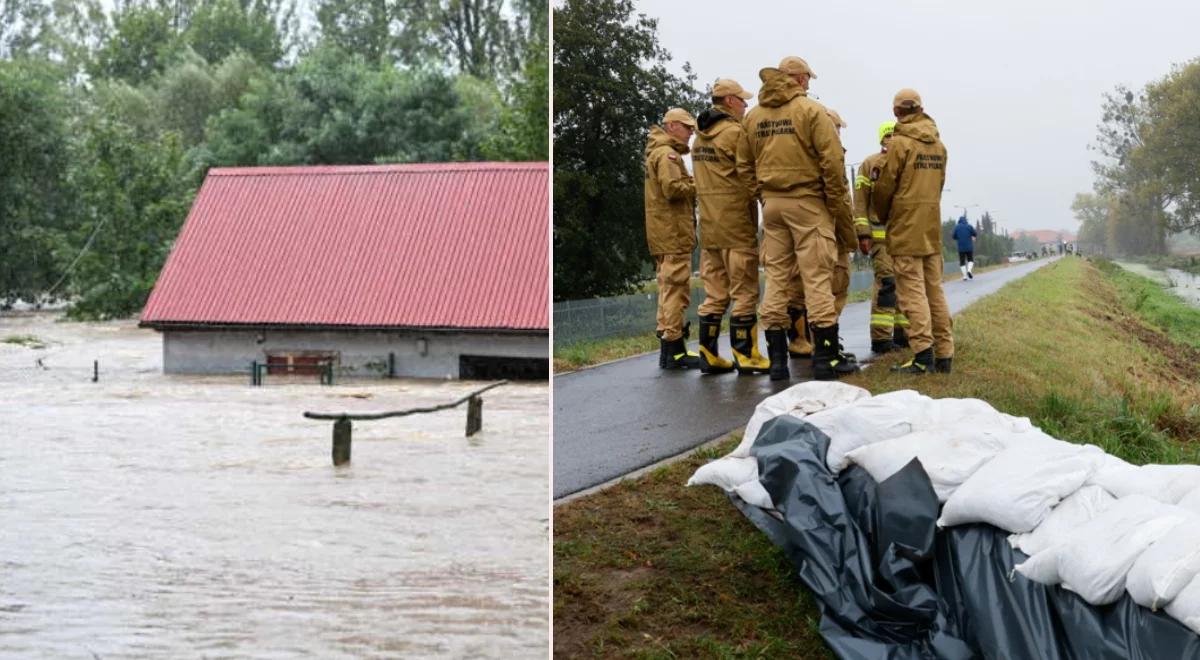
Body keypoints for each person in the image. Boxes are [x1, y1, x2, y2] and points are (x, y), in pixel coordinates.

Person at [736, 56, 857, 381]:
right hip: (808, 203)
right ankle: (825, 359)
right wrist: (832, 204)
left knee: (776, 278)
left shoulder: (754, 116)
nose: (808, 85)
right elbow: (832, 163)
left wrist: (762, 195)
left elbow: (743, 164)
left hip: (772, 207)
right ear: (799, 79)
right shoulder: (811, 112)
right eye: (808, 79)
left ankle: (777, 363)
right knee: (817, 278)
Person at [872, 88, 952, 374]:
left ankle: (922, 355)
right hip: (931, 224)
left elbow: (885, 187)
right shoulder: (939, 145)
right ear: (920, 108)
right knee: (935, 290)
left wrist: (883, 215)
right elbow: (940, 185)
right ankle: (945, 354)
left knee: (911, 291)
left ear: (896, 112)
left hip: (906, 225)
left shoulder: (900, 143)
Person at [692, 79, 770, 375]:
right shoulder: (735, 134)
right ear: (728, 102)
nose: (746, 105)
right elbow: (749, 173)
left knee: (714, 293)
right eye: (741, 100)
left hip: (709, 227)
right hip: (736, 224)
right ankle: (746, 353)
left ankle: (708, 353)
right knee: (745, 291)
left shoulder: (699, 138)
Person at [645, 107, 701, 369]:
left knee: (668, 288)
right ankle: (675, 347)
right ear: (672, 127)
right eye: (687, 128)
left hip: (663, 233)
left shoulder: (658, 152)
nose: (691, 133)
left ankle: (670, 350)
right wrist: (696, 184)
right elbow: (671, 188)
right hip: (673, 233)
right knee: (676, 289)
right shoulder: (667, 156)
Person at [853, 120, 909, 354]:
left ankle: (903, 334)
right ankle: (881, 339)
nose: (891, 140)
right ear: (881, 139)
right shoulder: (869, 165)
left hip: (903, 236)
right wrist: (863, 233)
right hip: (879, 237)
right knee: (887, 284)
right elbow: (860, 201)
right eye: (888, 136)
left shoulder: (906, 163)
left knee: (904, 285)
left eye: (895, 136)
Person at [953, 213, 978, 280]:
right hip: (969, 247)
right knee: (970, 259)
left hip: (961, 248)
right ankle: (969, 270)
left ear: (959, 221)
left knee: (962, 262)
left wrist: (958, 238)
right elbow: (975, 233)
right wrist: (973, 236)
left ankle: (964, 276)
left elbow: (953, 236)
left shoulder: (957, 227)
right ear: (965, 221)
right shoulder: (969, 226)